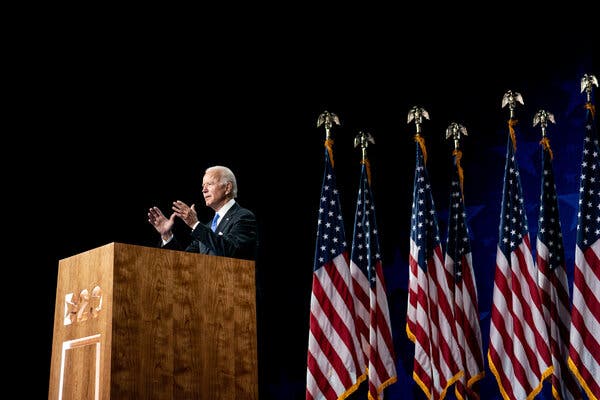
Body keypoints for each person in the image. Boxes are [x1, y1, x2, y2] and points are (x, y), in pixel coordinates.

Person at [148, 165, 258, 260]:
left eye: (209, 184)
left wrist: (194, 224)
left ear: (227, 187)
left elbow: (232, 250)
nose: (204, 190)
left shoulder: (243, 217)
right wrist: (167, 235)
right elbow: (183, 260)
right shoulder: (208, 226)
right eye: (203, 186)